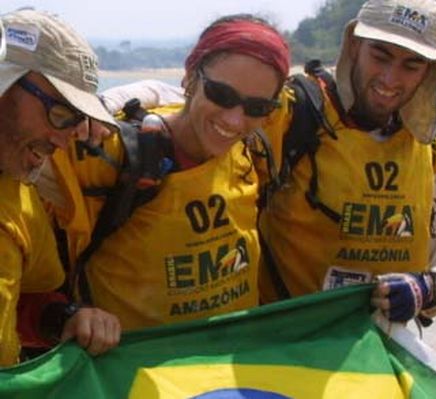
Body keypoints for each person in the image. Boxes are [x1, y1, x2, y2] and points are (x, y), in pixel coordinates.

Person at [41, 14, 290, 331]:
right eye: (221, 95)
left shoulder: (253, 149)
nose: (235, 121)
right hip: (134, 372)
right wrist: (89, 107)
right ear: (190, 77)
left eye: (257, 108)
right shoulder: (108, 149)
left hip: (232, 367)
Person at [258, 0, 436, 324]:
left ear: (430, 71)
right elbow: (205, 110)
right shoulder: (292, 116)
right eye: (380, 56)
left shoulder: (430, 153)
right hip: (287, 346)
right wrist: (149, 104)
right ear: (354, 45)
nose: (390, 79)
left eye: (411, 66)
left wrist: (426, 288)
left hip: (377, 352)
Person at [0, 9, 121, 366]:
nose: (64, 139)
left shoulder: (18, 194)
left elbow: (30, 296)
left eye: (77, 121)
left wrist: (67, 319)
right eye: (61, 113)